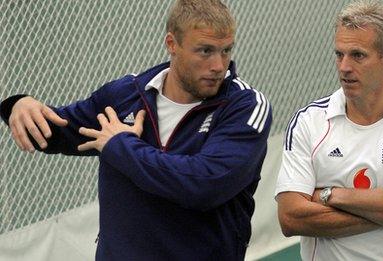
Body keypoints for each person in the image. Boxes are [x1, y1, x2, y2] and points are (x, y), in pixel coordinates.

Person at [0, 0, 272, 260]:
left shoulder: (245, 107)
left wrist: (121, 147)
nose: (218, 66)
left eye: (226, 50)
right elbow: (52, 133)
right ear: (171, 44)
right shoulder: (125, 95)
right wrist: (18, 105)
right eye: (205, 51)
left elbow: (203, 184)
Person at [275, 1, 383, 260]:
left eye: (358, 55)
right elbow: (290, 218)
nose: (344, 67)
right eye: (339, 54)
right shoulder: (308, 121)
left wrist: (329, 195)